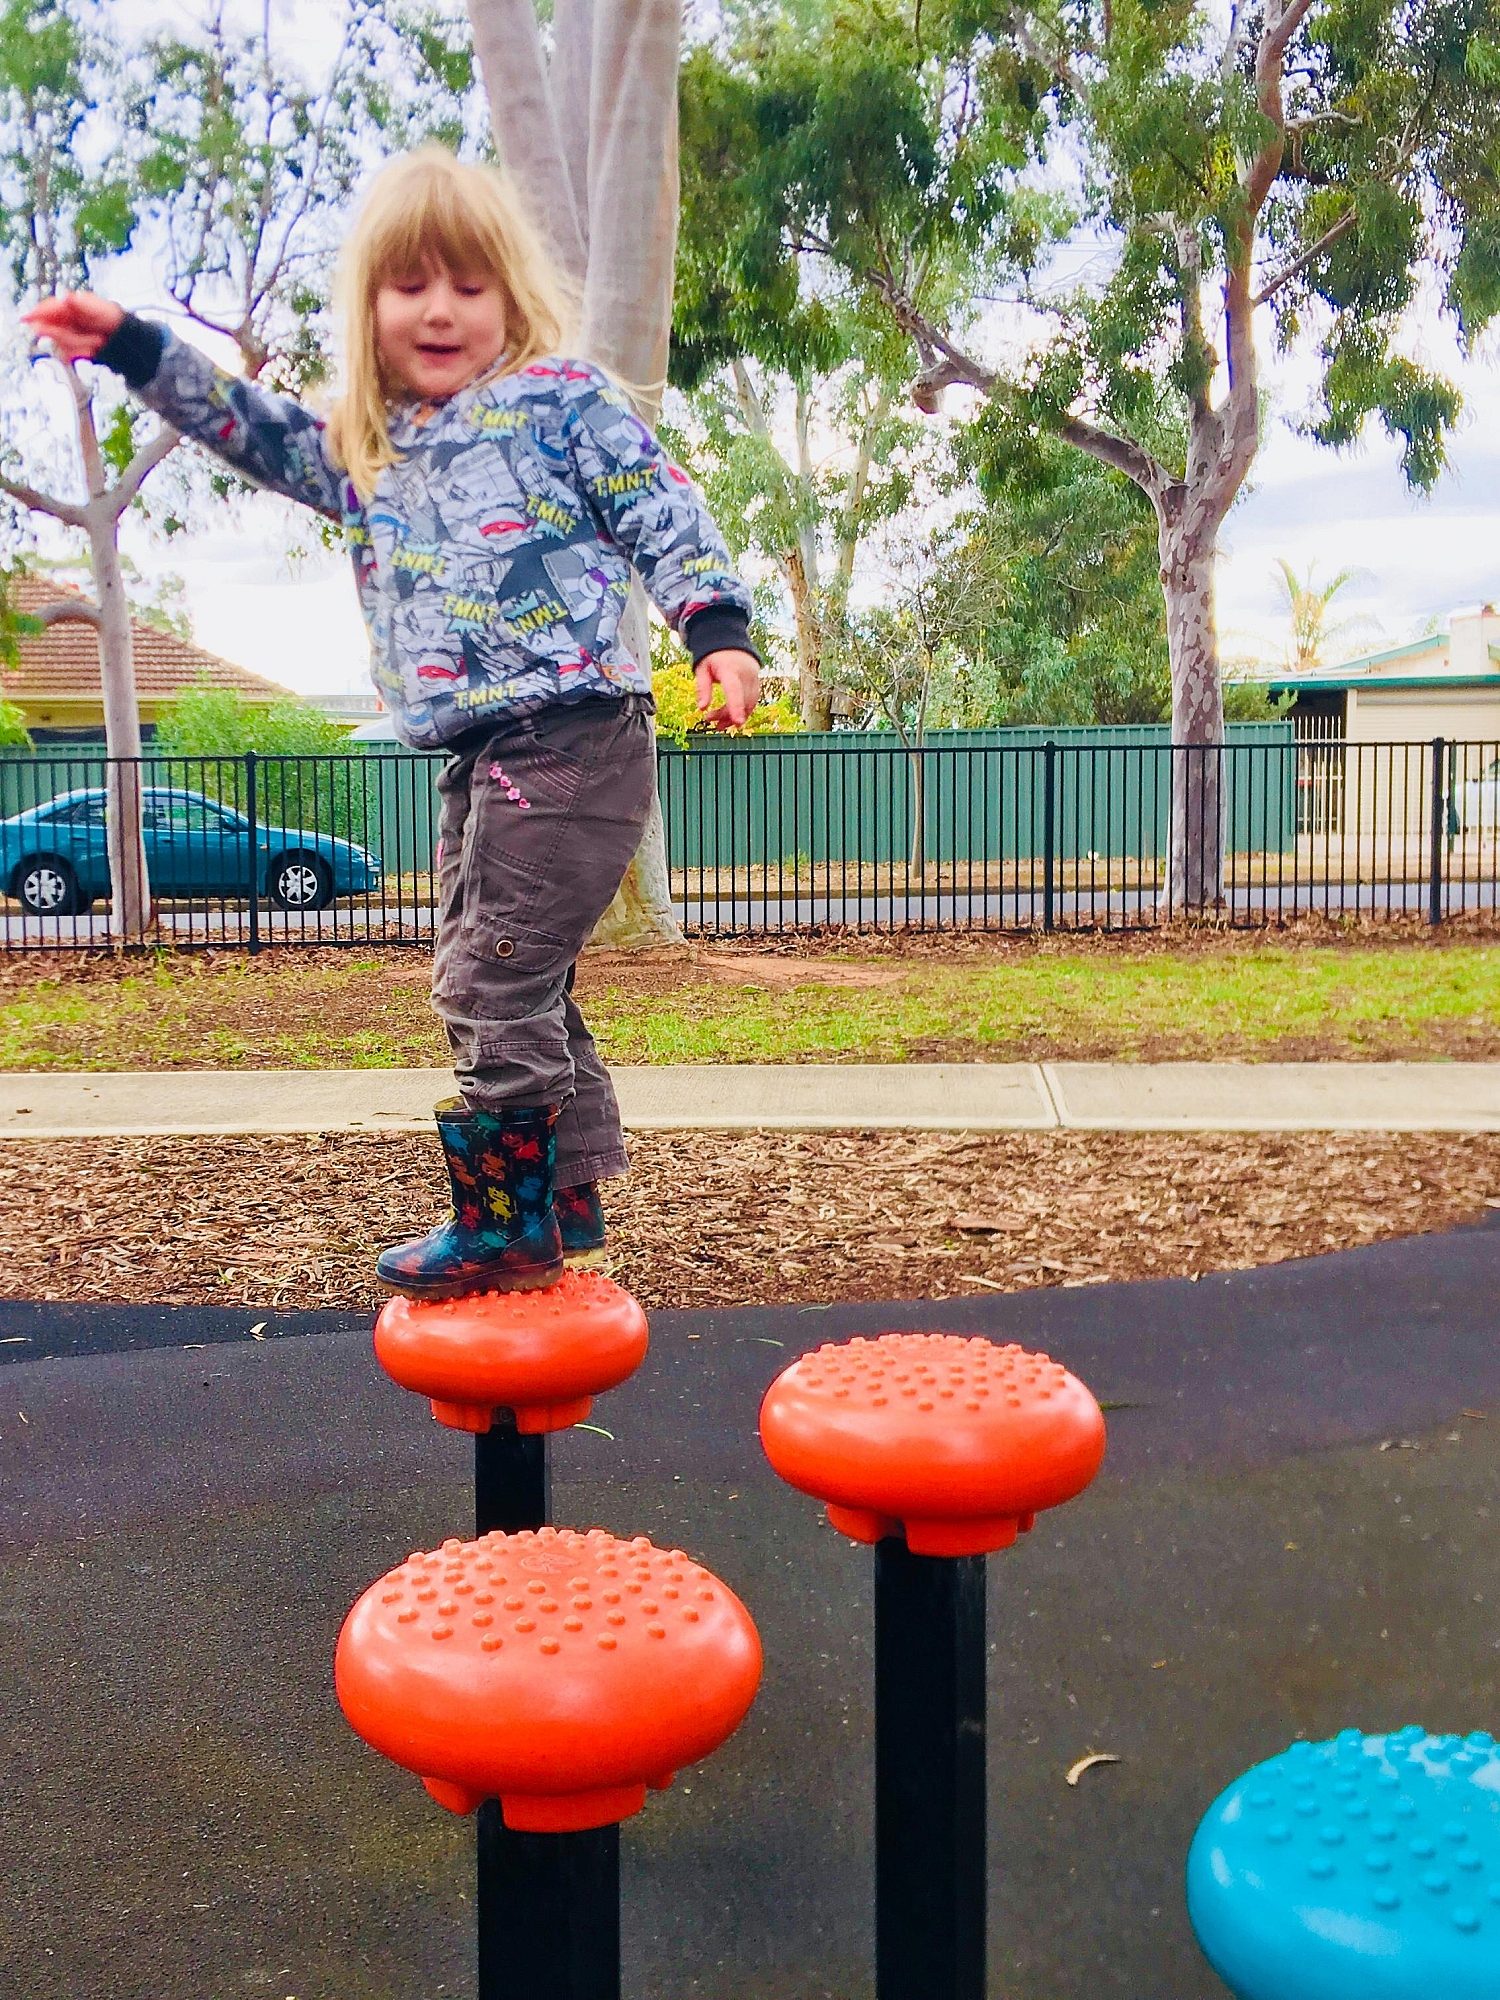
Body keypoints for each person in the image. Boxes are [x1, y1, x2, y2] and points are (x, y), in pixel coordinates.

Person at [23, 144, 762, 1301]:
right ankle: (564, 1192)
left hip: (571, 733)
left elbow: (661, 506)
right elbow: (248, 427)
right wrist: (134, 345)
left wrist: (714, 627)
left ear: (512, 297)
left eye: (469, 285)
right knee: (517, 972)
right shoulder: (368, 449)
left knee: (487, 979)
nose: (439, 310)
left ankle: (506, 1222)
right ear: (369, 307)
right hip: (479, 751)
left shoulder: (560, 403)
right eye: (409, 285)